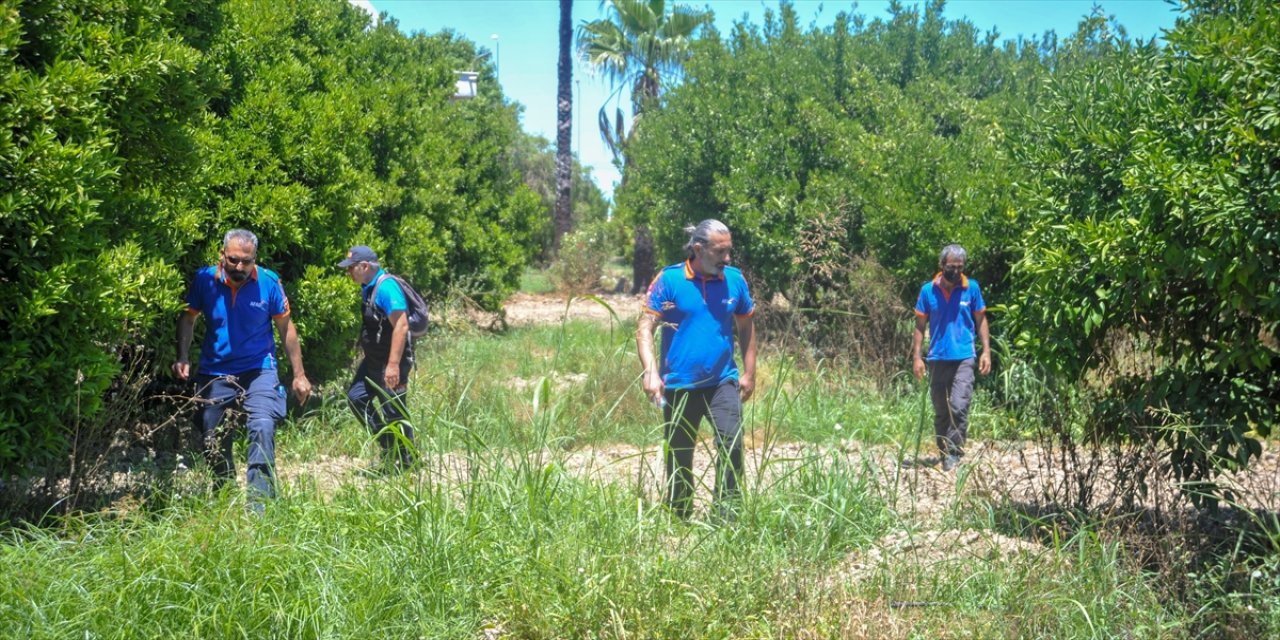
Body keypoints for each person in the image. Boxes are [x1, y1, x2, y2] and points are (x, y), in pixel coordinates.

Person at [173, 229, 311, 504]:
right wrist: (183, 355)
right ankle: (224, 498)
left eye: (246, 261)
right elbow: (188, 318)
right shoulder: (204, 280)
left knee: (262, 425)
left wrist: (299, 375)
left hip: (259, 368)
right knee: (212, 436)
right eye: (233, 259)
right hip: (215, 370)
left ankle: (260, 506)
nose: (239, 267)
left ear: (254, 259)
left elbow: (286, 328)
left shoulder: (269, 282)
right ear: (222, 255)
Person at [636, 219, 758, 520]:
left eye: (729, 250)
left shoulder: (734, 280)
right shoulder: (669, 279)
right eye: (720, 251)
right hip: (678, 384)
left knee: (732, 444)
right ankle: (680, 514)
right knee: (679, 454)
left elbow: (746, 325)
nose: (727, 258)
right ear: (698, 248)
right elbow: (645, 327)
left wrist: (749, 373)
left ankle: (726, 516)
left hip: (722, 381)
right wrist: (650, 371)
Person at [911, 244, 991, 471]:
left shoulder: (971, 288)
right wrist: (917, 357)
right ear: (942, 265)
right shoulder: (928, 291)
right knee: (941, 408)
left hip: (964, 356)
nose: (955, 271)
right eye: (951, 267)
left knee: (958, 405)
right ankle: (943, 450)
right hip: (937, 357)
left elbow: (981, 319)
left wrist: (986, 351)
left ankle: (954, 453)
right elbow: (920, 325)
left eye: (960, 267)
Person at [339, 245, 416, 471]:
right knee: (356, 398)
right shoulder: (368, 287)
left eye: (351, 268)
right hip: (373, 361)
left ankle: (408, 463)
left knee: (394, 412)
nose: (348, 272)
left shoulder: (386, 288)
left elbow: (401, 326)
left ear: (364, 266)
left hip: (390, 363)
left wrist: (393, 365)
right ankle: (388, 445)